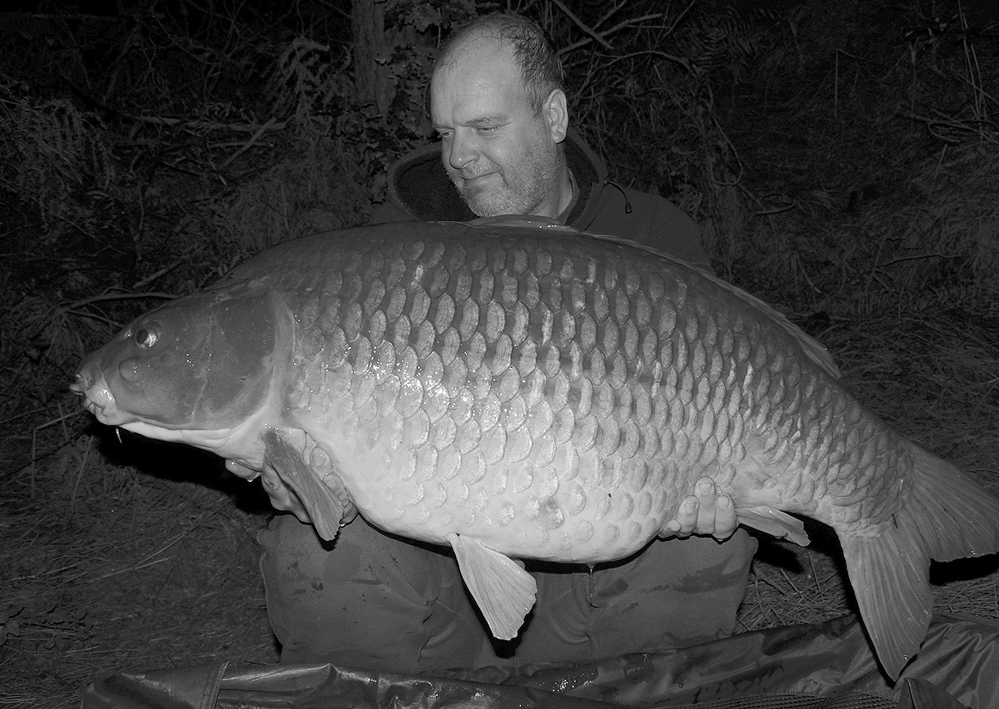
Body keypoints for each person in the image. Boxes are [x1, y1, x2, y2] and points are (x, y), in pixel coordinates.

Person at [257, 12, 757, 673]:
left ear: (552, 116)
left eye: (485, 128)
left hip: (597, 581)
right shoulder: (395, 249)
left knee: (702, 545)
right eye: (444, 132)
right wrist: (296, 472)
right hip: (443, 590)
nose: (457, 156)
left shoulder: (651, 240)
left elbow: (730, 407)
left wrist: (706, 486)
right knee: (314, 545)